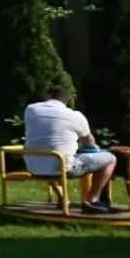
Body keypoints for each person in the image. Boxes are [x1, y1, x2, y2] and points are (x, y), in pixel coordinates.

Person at [22, 84, 116, 214]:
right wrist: (95, 148)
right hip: (61, 166)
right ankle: (92, 200)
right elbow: (88, 141)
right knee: (110, 159)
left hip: (33, 165)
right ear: (66, 100)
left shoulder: (30, 110)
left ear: (47, 96)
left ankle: (63, 198)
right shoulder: (74, 115)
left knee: (51, 157)